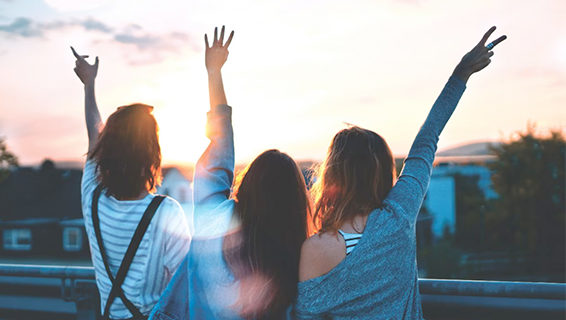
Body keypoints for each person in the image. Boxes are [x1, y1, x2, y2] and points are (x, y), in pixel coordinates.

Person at [296, 27, 507, 319]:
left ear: (332, 175)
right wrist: (460, 75)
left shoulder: (314, 248)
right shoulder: (398, 216)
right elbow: (426, 142)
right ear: (382, 172)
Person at [150, 26, 312, 320]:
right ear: (295, 202)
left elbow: (220, 146)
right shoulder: (298, 259)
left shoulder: (215, 219)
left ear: (248, 184)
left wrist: (214, 72)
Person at [72, 47, 192, 320]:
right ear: (152, 154)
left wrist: (89, 85)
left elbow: (94, 136)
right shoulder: (166, 213)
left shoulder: (92, 197)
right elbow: (185, 288)